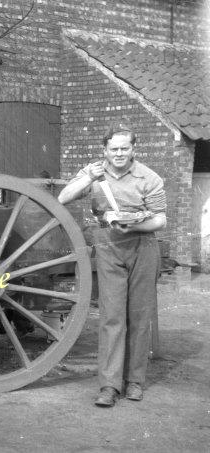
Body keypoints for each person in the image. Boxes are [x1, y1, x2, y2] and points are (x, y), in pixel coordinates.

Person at [58, 122, 167, 407]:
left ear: (134, 149)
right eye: (113, 149)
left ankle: (134, 382)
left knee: (140, 316)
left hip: (142, 245)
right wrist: (87, 179)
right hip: (107, 245)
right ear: (104, 150)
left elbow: (160, 219)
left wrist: (135, 225)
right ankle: (109, 386)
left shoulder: (148, 177)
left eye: (124, 148)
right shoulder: (94, 172)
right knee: (112, 315)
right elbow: (63, 198)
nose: (119, 154)